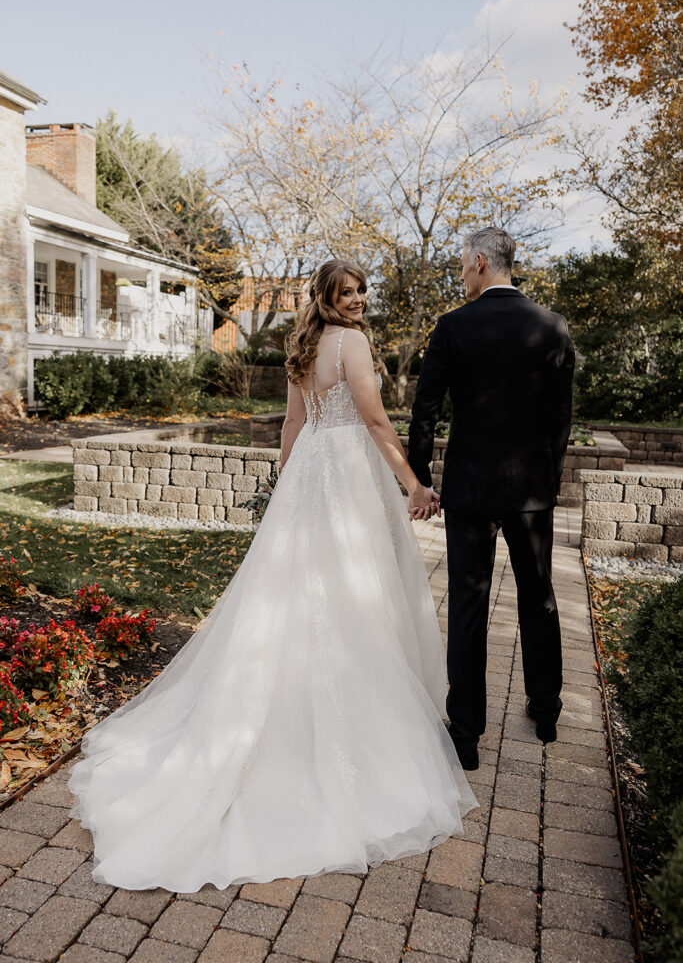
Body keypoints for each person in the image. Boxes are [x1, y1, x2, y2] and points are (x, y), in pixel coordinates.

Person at [66, 258, 479, 893]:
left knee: (300, 591)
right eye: (350, 292)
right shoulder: (351, 342)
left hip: (311, 468)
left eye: (363, 290)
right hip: (343, 474)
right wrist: (414, 484)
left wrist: (285, 487)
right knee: (352, 593)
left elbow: (292, 423)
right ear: (329, 298)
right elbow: (373, 421)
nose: (361, 300)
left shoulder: (304, 342)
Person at [408, 227, 575, 772]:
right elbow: (560, 419)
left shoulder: (453, 327)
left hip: (470, 490)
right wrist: (546, 481)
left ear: (480, 262)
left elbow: (424, 410)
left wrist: (421, 477)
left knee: (468, 602)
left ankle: (465, 734)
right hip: (530, 490)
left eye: (462, 264)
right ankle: (546, 710)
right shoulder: (552, 327)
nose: (460, 273)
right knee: (539, 597)